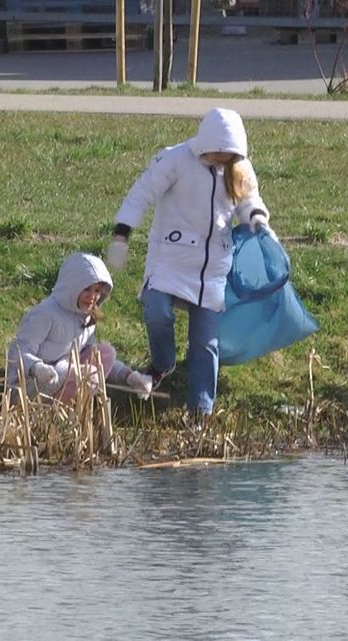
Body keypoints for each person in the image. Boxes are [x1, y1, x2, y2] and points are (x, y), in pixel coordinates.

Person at [105, 107, 271, 424]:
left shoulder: (238, 167)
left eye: (228, 155)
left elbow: (249, 200)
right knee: (155, 309)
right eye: (217, 153)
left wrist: (257, 217)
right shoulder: (175, 159)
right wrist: (121, 233)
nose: (221, 160)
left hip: (212, 267)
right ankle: (163, 362)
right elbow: (142, 192)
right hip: (170, 258)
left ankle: (200, 413)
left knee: (205, 343)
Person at [6, 252, 152, 402]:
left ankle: (72, 407)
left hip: (61, 371)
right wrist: (38, 368)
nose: (92, 296)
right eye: (87, 289)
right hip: (31, 384)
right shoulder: (45, 314)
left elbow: (90, 353)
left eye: (97, 290)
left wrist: (130, 376)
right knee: (88, 374)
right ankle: (55, 415)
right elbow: (17, 352)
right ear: (72, 287)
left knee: (105, 353)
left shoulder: (85, 315)